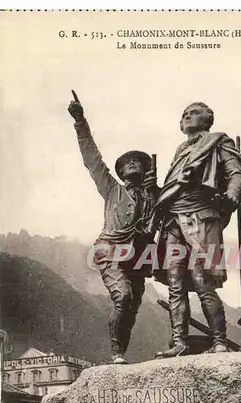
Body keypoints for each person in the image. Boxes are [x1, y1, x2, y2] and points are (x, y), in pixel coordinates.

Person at [153, 102, 241, 358]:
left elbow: (236, 174)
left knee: (201, 279)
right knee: (175, 283)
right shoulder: (180, 149)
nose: (185, 116)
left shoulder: (218, 142)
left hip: (201, 217)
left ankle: (219, 341)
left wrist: (231, 195)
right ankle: (179, 342)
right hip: (173, 220)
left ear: (207, 119)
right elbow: (172, 188)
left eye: (192, 113)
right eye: (183, 114)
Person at [68, 92, 158, 364]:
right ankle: (116, 352)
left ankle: (121, 354)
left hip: (140, 258)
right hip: (109, 250)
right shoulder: (112, 190)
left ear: (146, 169)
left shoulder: (155, 195)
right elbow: (92, 159)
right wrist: (80, 123)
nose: (132, 164)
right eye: (127, 163)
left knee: (132, 308)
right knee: (123, 296)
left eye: (138, 162)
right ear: (120, 172)